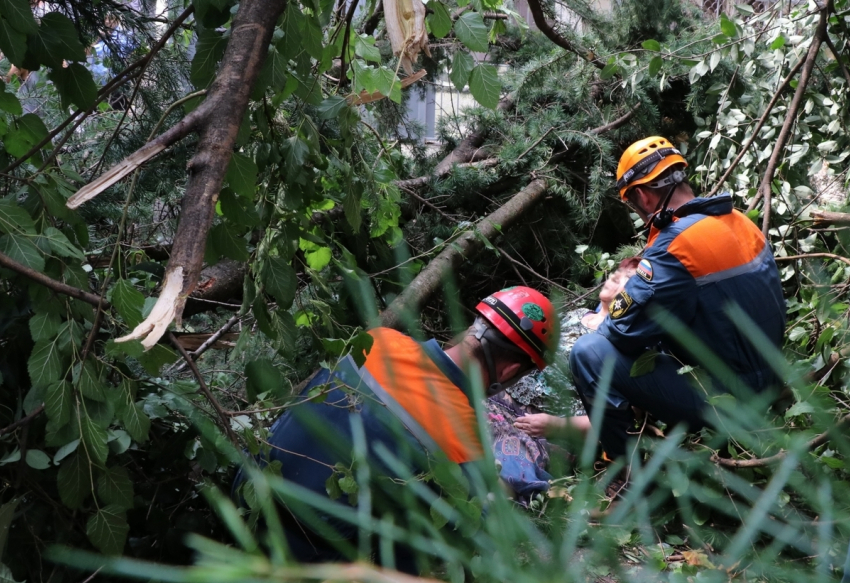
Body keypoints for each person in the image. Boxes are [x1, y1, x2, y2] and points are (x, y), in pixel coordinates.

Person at [232, 286, 558, 571]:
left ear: (475, 324)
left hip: (244, 492)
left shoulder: (377, 340)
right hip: (305, 550)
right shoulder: (462, 437)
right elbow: (464, 524)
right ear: (513, 369)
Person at [568, 136, 786, 489]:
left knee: (589, 353)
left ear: (642, 196)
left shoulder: (675, 246)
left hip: (731, 398)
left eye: (632, 204)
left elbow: (623, 330)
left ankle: (624, 479)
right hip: (770, 379)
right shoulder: (740, 222)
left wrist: (602, 316)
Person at [510, 258, 641, 440]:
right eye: (617, 272)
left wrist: (558, 426)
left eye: (627, 277)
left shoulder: (623, 343)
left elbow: (624, 417)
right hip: (505, 393)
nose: (615, 276)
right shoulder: (577, 313)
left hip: (546, 428)